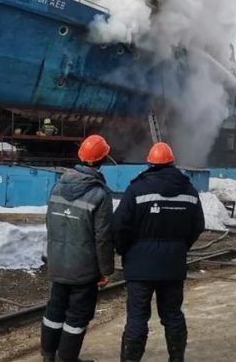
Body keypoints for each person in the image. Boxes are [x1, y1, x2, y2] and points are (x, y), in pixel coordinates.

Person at [113, 142, 205, 362]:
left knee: (137, 317)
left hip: (139, 267)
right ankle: (176, 358)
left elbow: (119, 226)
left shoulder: (136, 190)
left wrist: (126, 250)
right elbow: (198, 226)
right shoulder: (189, 191)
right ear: (172, 162)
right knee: (173, 315)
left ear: (150, 163)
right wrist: (180, 247)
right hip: (173, 266)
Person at [41, 134, 115, 362]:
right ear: (103, 159)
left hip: (58, 264)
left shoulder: (57, 187)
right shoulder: (100, 194)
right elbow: (103, 237)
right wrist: (106, 270)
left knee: (55, 309)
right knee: (77, 316)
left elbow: (50, 224)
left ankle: (48, 355)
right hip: (83, 269)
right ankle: (67, 358)